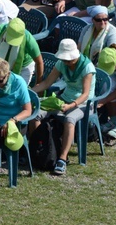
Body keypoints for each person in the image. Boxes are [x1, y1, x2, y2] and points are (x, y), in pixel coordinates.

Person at [32, 39, 95, 176]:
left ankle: (62, 158)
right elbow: (47, 83)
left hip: (83, 104)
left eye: (68, 60)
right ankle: (38, 148)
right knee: (37, 113)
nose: (66, 62)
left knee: (69, 119)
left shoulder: (87, 67)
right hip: (65, 99)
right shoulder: (61, 63)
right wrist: (30, 92)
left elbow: (85, 94)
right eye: (64, 60)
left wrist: (71, 105)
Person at [0, 17, 44, 84]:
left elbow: (39, 62)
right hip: (0, 66)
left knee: (18, 89)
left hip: (23, 67)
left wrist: (38, 84)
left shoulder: (29, 40)